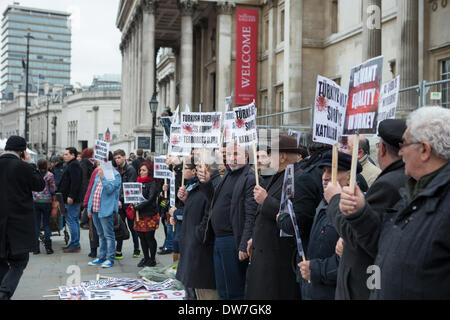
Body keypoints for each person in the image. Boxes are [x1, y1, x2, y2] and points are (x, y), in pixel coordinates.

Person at [339, 106, 450, 299]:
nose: (400, 153)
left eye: (405, 145)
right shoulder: (414, 192)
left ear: (424, 150)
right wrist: (360, 213)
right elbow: (385, 244)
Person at [325, 119, 408, 300]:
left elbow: (360, 235)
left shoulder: (388, 184)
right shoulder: (401, 178)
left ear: (382, 149)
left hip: (364, 283)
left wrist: (334, 200)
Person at [197, 142, 258, 300]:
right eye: (229, 154)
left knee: (234, 290)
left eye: (236, 154)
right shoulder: (229, 175)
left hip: (233, 240)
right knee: (223, 289)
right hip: (219, 239)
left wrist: (244, 244)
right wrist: (206, 184)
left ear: (246, 156)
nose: (232, 158)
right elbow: (214, 201)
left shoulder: (249, 178)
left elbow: (251, 214)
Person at [298, 151, 362, 300]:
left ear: (349, 177)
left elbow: (351, 260)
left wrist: (316, 269)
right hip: (314, 289)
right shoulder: (324, 202)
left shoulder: (355, 208)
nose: (325, 177)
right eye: (324, 171)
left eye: (333, 171)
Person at [245, 135, 301, 300]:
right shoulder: (276, 175)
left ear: (282, 156)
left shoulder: (296, 177)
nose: (269, 158)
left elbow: (291, 216)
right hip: (263, 251)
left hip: (277, 258)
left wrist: (266, 200)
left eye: (272, 154)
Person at [0, 136, 45, 300]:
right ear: (22, 151)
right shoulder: (23, 167)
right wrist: (30, 164)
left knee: (1, 259)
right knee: (19, 261)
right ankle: (4, 291)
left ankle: (4, 287)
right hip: (18, 224)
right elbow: (40, 184)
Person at [176, 159, 218, 300]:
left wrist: (198, 234)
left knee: (200, 291)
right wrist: (186, 200)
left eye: (201, 166)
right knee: (191, 287)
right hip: (192, 242)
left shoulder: (212, 184)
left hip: (200, 245)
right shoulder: (197, 185)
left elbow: (210, 210)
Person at [87, 159, 122, 268]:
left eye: (100, 163)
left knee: (108, 235)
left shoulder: (115, 175)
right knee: (100, 234)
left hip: (106, 209)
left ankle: (110, 258)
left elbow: (109, 190)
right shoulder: (98, 173)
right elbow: (93, 191)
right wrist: (89, 208)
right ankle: (101, 257)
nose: (98, 165)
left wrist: (103, 177)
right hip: (95, 208)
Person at [113, 149, 140, 260]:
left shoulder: (130, 169)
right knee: (120, 226)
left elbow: (130, 187)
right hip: (119, 203)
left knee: (132, 227)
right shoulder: (116, 169)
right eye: (115, 158)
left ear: (124, 157)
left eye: (119, 157)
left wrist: (121, 199)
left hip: (128, 203)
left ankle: (137, 249)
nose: (117, 160)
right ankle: (118, 250)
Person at [133, 162, 160, 268]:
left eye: (144, 170)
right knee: (142, 237)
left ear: (149, 171)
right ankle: (146, 257)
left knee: (149, 237)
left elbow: (151, 198)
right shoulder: (138, 182)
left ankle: (152, 259)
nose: (141, 172)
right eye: (141, 170)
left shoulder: (153, 183)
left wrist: (138, 206)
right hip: (139, 214)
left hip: (149, 214)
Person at [58, 147, 83, 253]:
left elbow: (75, 182)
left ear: (73, 155)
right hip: (70, 197)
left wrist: (71, 196)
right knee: (73, 221)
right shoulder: (71, 164)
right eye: (64, 154)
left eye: (67, 154)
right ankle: (74, 243)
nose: (64, 156)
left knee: (72, 220)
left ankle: (75, 244)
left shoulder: (74, 165)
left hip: (72, 198)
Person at [32, 158, 56, 255]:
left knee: (36, 224)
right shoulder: (50, 175)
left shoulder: (34, 174)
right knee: (46, 223)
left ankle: (36, 248)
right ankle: (48, 248)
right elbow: (52, 189)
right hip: (46, 201)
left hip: (36, 200)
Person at [80, 148, 95, 229]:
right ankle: (84, 221)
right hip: (87, 187)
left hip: (89, 186)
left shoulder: (89, 162)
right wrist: (86, 188)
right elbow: (84, 177)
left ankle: (84, 221)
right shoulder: (85, 162)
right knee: (88, 204)